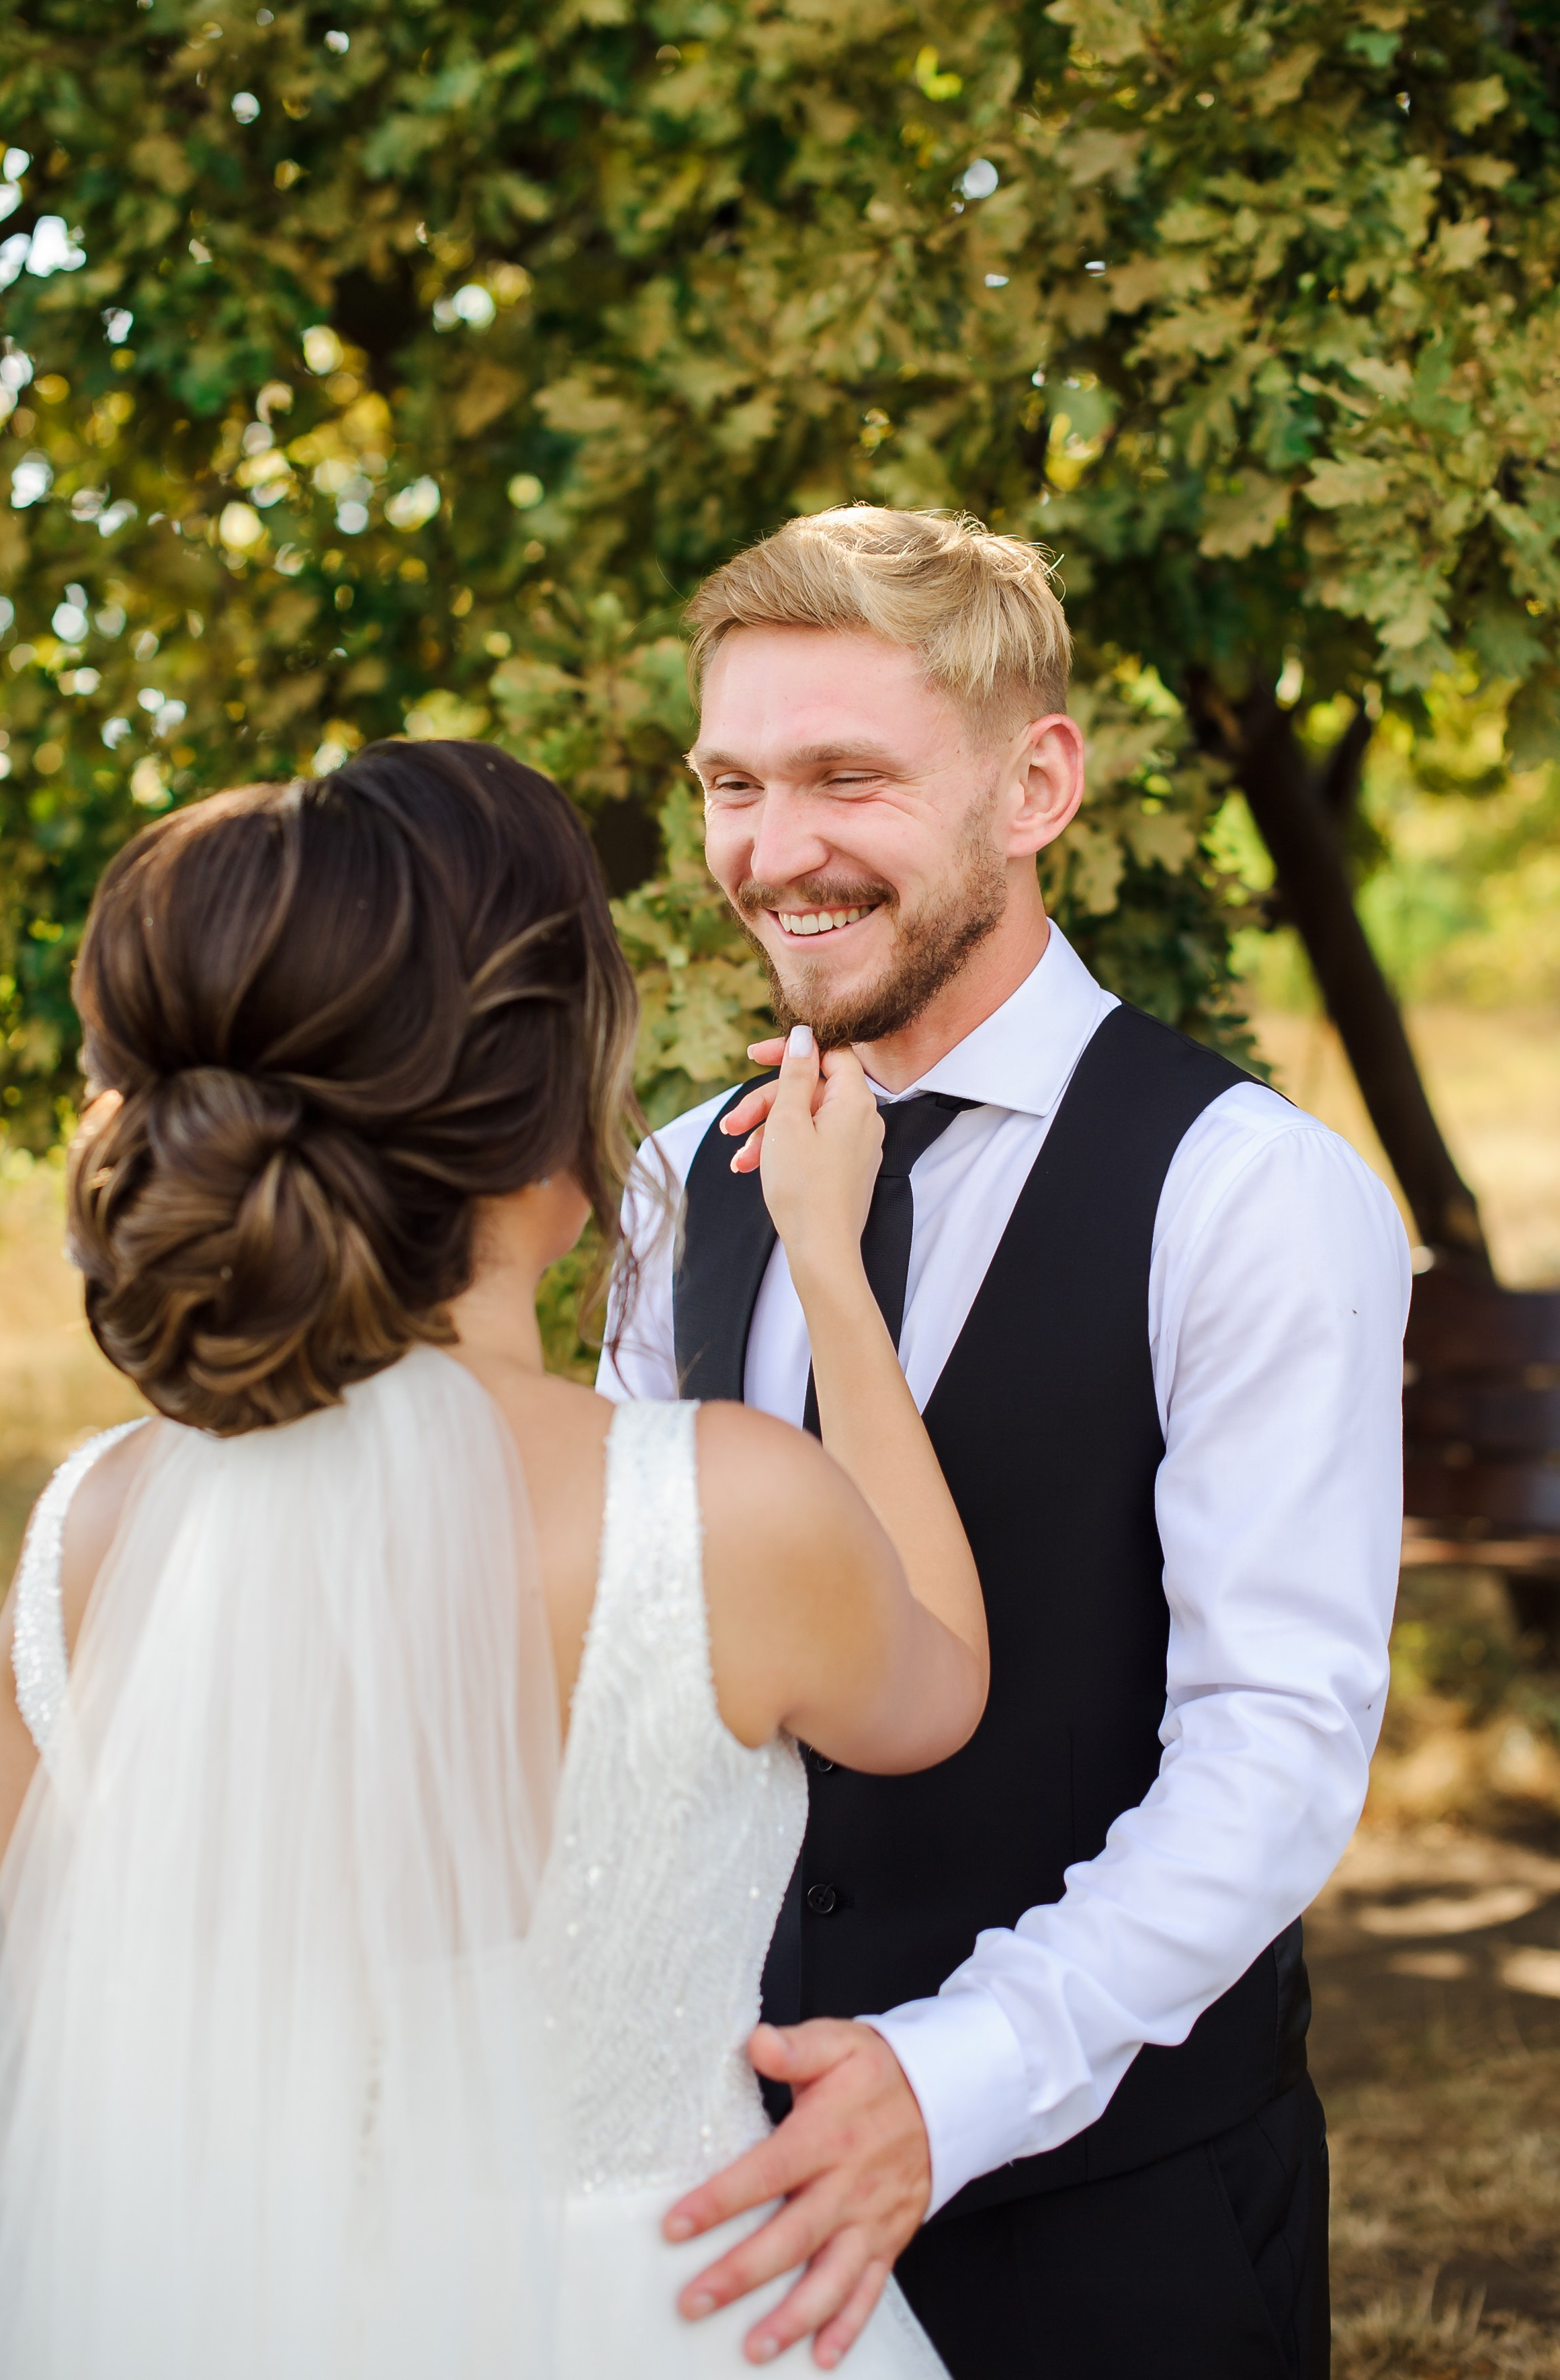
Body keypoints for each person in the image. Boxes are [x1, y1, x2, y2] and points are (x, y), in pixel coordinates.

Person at [0, 738, 990, 2378]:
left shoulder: (84, 1541)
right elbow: (939, 1672)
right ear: (554, 1112)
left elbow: (85, 2039)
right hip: (679, 2319)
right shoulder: (723, 1510)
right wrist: (828, 1258)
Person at [599, 506, 1411, 2379]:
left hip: (1113, 2233)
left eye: (842, 778)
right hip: (726, 2225)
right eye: (730, 781)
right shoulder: (676, 1181)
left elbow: (1269, 1750)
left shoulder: (1248, 1196)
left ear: (1033, 783)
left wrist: (945, 2079)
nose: (768, 851)